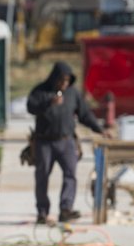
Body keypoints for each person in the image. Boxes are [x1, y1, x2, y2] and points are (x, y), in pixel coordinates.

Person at [26, 61, 112, 224]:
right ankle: (42, 212)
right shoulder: (41, 91)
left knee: (70, 176)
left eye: (67, 81)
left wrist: (100, 130)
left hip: (66, 141)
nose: (64, 84)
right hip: (45, 142)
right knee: (42, 177)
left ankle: (66, 209)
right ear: (54, 78)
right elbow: (31, 107)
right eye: (61, 80)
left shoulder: (72, 94)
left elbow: (85, 115)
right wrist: (49, 102)